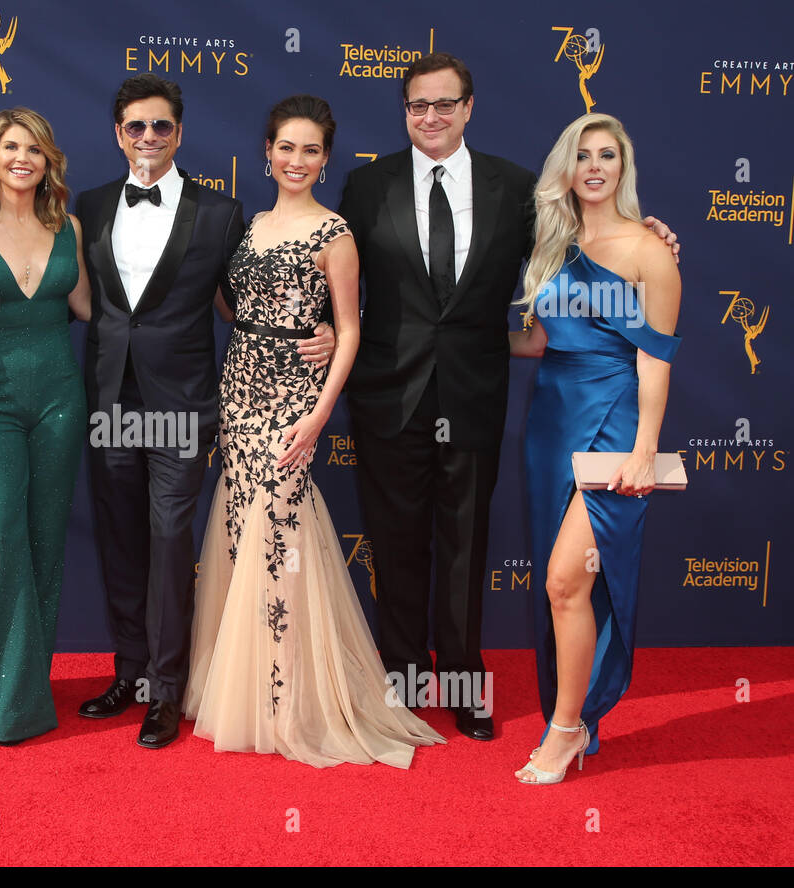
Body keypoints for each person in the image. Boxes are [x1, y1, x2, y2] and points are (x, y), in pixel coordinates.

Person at [336, 53, 678, 741]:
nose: (429, 117)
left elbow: (578, 255)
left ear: (468, 107)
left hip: (474, 392)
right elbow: (339, 281)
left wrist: (653, 239)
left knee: (465, 545)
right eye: (416, 106)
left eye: (443, 104)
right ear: (404, 112)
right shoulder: (365, 186)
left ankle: (461, 680)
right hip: (387, 398)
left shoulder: (517, 189)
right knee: (395, 545)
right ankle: (401, 681)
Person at [74, 74, 335, 749]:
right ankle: (128, 673)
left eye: (161, 126)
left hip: (183, 405)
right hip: (109, 400)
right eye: (136, 126)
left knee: (168, 541)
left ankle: (166, 690)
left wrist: (325, 329)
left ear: (180, 133)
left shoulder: (220, 214)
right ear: (118, 133)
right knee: (121, 539)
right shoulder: (93, 204)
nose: (148, 138)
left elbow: (252, 296)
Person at [183, 95, 444, 767]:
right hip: (239, 392)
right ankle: (247, 690)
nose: (295, 160)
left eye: (310, 149)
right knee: (244, 530)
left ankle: (289, 697)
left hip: (295, 402)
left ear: (325, 160)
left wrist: (321, 410)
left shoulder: (336, 233)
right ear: (266, 152)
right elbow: (229, 301)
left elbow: (351, 329)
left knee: (281, 532)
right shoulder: (248, 226)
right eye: (285, 147)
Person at [509, 114, 680, 783]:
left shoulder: (649, 250)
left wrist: (645, 449)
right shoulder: (552, 242)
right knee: (562, 592)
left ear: (623, 168)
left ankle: (566, 728)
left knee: (564, 579)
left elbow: (656, 360)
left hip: (613, 420)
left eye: (608, 155)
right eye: (583, 155)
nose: (595, 166)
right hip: (551, 420)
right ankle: (574, 721)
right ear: (567, 167)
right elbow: (539, 340)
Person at [0, 108, 91, 744]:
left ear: (47, 159)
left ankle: (30, 690)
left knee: (45, 540)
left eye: (33, 147)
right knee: (2, 537)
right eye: (9, 146)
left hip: (61, 395)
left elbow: (87, 306)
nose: (21, 157)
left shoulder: (71, 229)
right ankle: (3, 707)